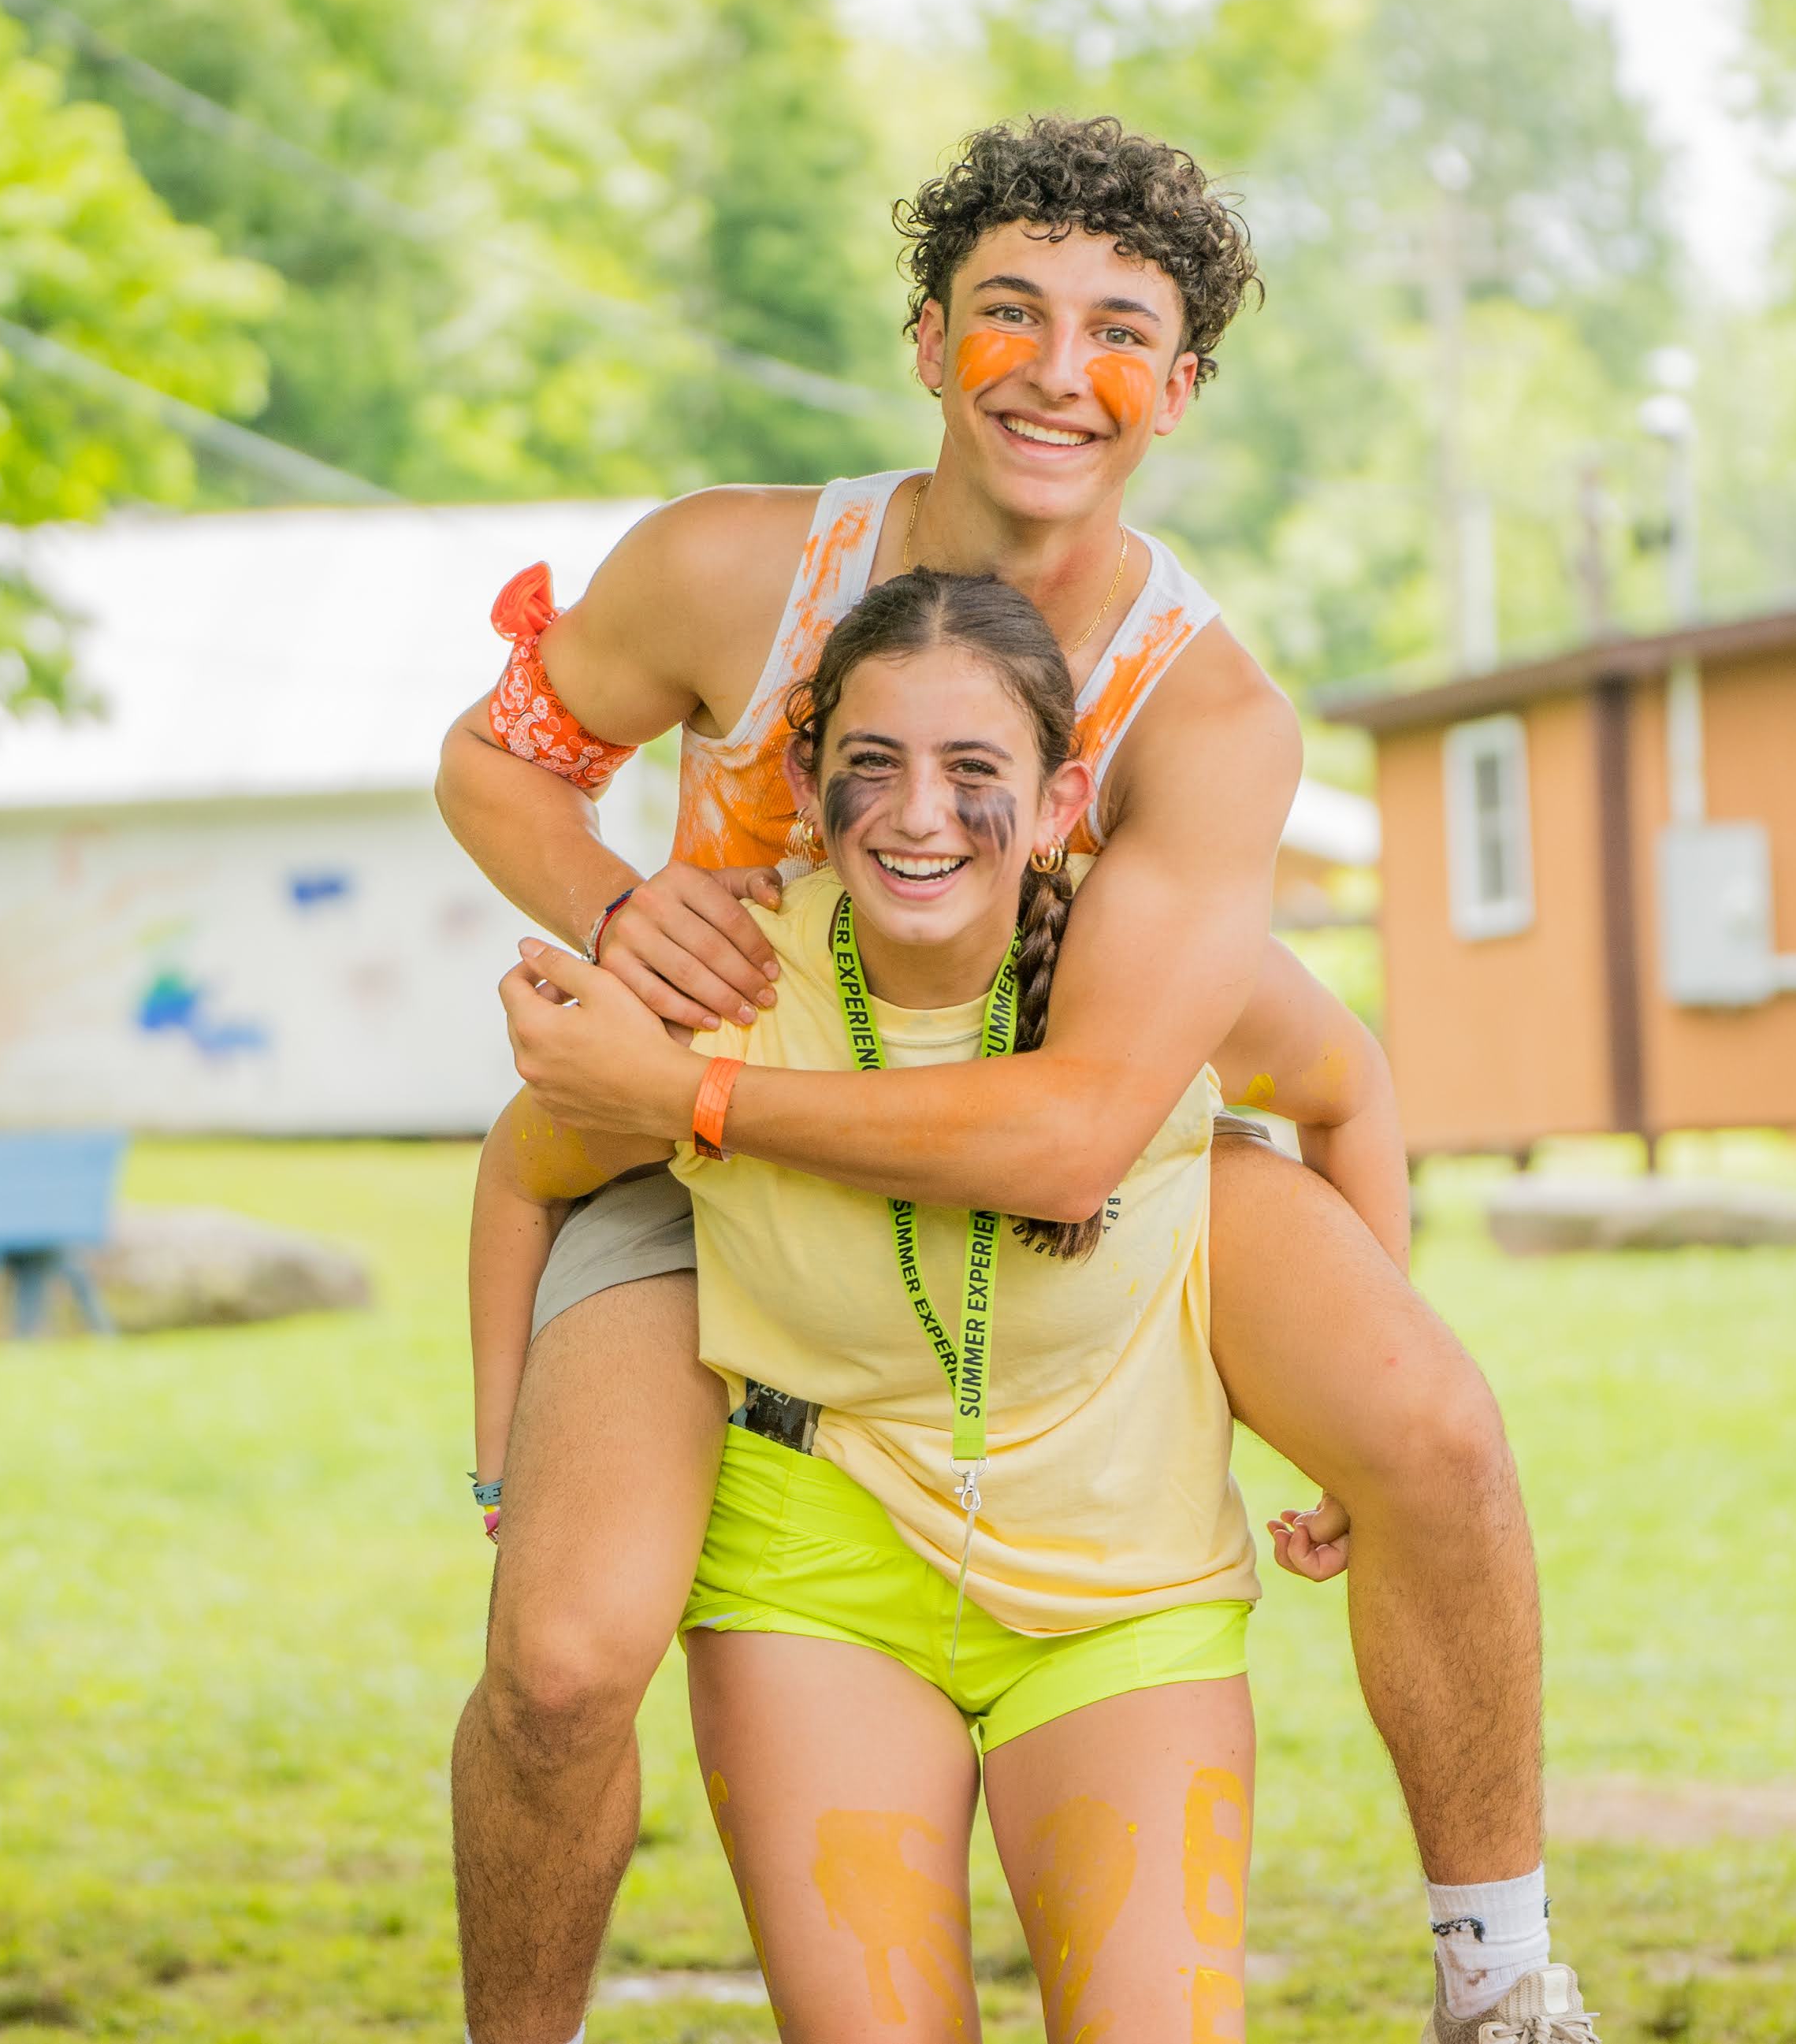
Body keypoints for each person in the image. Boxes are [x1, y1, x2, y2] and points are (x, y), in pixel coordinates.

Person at [445, 117, 1582, 2044]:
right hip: (712, 1132)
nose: (1060, 371)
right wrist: (624, 908)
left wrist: (1323, 1399)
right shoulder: (734, 568)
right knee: (561, 1665)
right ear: (925, 339)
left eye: (1118, 332)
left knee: (1435, 1431)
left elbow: (1095, 1123)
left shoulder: (1202, 711)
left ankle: (1499, 1978)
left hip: (1054, 1124)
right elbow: (497, 762)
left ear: (1181, 388)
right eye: (1011, 312)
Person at [495, 570, 1329, 2039]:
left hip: (1124, 1579)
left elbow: (1348, 1086)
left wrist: (1346, 1429)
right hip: (819, 1577)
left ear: (1062, 798)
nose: (917, 813)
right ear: (805, 788)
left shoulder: (1152, 980)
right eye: (869, 764)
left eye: (970, 768)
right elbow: (521, 1172)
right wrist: (499, 1457)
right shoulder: (725, 991)